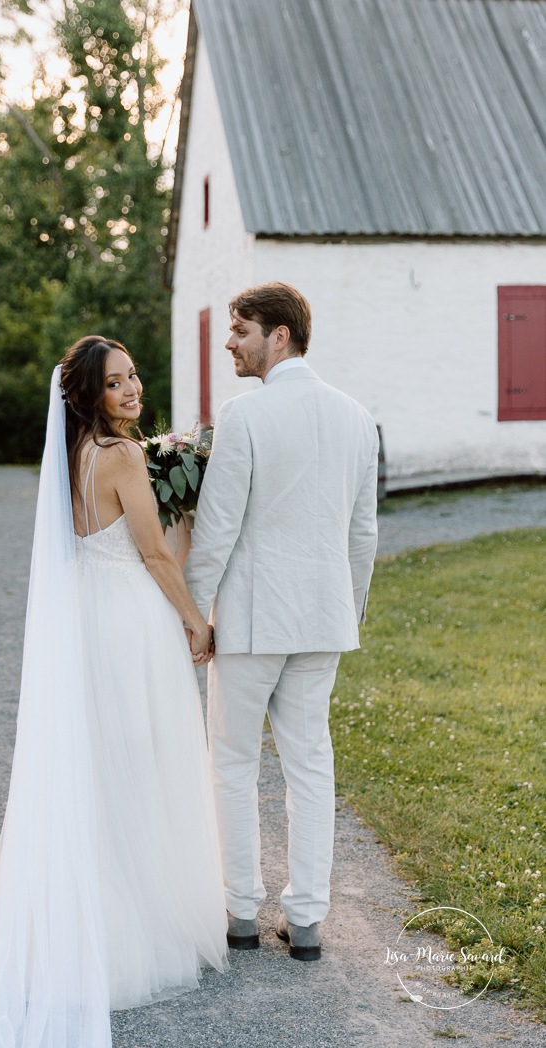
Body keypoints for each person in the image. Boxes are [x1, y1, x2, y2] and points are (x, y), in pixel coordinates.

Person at [0, 336, 228, 1047]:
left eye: (134, 376)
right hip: (130, 623)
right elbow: (149, 553)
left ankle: (74, 908)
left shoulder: (73, 460)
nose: (132, 389)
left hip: (85, 620)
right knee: (142, 763)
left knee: (98, 764)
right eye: (116, 383)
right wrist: (196, 618)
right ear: (88, 396)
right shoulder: (120, 456)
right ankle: (132, 922)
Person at [184, 283, 378, 962]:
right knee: (309, 765)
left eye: (240, 330)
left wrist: (194, 613)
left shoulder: (245, 416)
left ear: (280, 336)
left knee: (232, 763)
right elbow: (363, 532)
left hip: (251, 619)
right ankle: (306, 921)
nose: (231, 343)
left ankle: (240, 911)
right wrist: (345, 610)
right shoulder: (355, 416)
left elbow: (217, 526)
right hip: (322, 620)